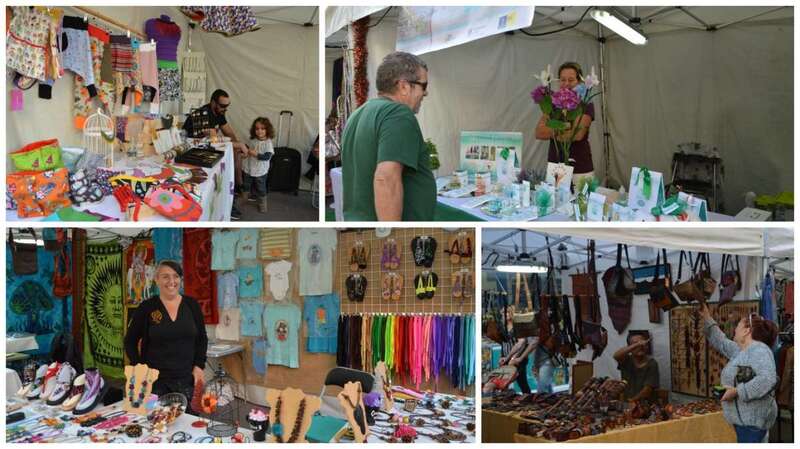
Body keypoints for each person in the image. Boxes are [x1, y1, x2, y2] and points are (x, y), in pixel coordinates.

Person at [341, 51, 436, 221]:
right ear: (404, 86)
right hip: (386, 232)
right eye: (424, 85)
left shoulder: (358, 114)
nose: (425, 93)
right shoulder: (398, 114)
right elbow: (386, 178)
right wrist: (392, 234)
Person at [124, 260, 208, 413]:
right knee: (155, 425)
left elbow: (202, 338)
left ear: (180, 280)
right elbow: (130, 341)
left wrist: (199, 366)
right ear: (156, 279)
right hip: (155, 381)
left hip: (187, 379)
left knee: (189, 424)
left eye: (176, 276)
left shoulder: (192, 305)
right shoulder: (147, 307)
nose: (171, 281)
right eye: (165, 277)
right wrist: (140, 367)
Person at [700, 305, 778, 443]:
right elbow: (721, 342)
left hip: (751, 426)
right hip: (745, 424)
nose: (735, 329)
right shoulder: (742, 351)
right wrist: (707, 317)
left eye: (738, 325)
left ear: (747, 331)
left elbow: (768, 379)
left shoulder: (759, 350)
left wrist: (737, 391)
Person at [182, 89, 248, 219]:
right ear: (213, 102)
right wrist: (238, 145)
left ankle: (236, 191)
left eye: (227, 106)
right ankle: (234, 193)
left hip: (204, 148)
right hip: (191, 150)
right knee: (228, 158)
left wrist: (239, 145)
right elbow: (214, 141)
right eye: (223, 106)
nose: (225, 109)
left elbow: (228, 132)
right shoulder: (204, 114)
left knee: (235, 153)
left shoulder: (219, 112)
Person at [534, 62, 595, 184]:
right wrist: (566, 127)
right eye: (562, 80)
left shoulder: (585, 104)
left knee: (582, 202)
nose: (566, 84)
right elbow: (539, 133)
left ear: (579, 81)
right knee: (556, 202)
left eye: (571, 80)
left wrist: (553, 130)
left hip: (580, 168)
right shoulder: (552, 104)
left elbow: (577, 135)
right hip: (556, 167)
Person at [240, 117, 275, 214]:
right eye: (257, 129)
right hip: (249, 167)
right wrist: (245, 154)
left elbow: (267, 157)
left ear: (267, 130)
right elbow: (248, 150)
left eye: (262, 129)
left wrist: (256, 154)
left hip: (260, 170)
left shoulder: (268, 143)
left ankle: (262, 204)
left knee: (261, 188)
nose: (259, 131)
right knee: (246, 184)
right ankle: (244, 199)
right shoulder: (253, 140)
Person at [613, 332, 659, 402]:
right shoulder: (626, 360)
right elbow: (616, 356)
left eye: (643, 343)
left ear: (647, 346)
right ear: (630, 347)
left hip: (644, 405)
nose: (640, 346)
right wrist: (637, 344)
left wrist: (632, 401)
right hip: (627, 403)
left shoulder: (652, 363)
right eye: (635, 344)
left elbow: (647, 390)